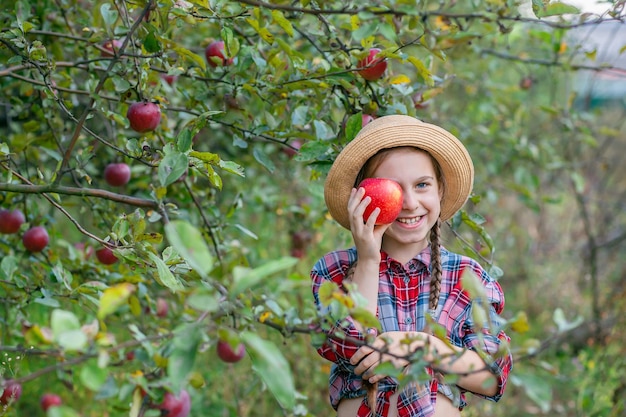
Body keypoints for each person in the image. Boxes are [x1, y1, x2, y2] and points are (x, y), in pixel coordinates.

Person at [311, 115, 513, 417]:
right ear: (362, 199)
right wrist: (368, 259)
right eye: (392, 188)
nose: (408, 203)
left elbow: (491, 376)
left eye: (421, 185)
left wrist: (416, 346)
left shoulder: (465, 276)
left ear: (440, 190)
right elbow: (351, 347)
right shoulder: (334, 271)